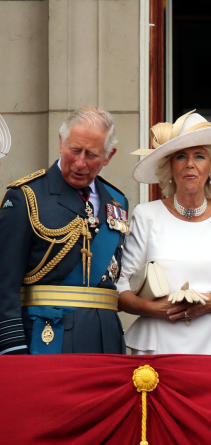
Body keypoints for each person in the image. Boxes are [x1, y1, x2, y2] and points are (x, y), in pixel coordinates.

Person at [116, 110, 211, 355]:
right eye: (181, 156)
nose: (190, 164)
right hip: (158, 347)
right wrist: (157, 309)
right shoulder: (147, 215)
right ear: (170, 167)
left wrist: (210, 303)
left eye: (199, 156)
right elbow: (122, 288)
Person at [0, 106, 128, 354]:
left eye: (91, 155)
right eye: (75, 150)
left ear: (109, 156)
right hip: (46, 338)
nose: (80, 163)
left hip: (104, 340)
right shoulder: (26, 196)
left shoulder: (117, 201)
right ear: (61, 143)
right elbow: (4, 284)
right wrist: (12, 348)